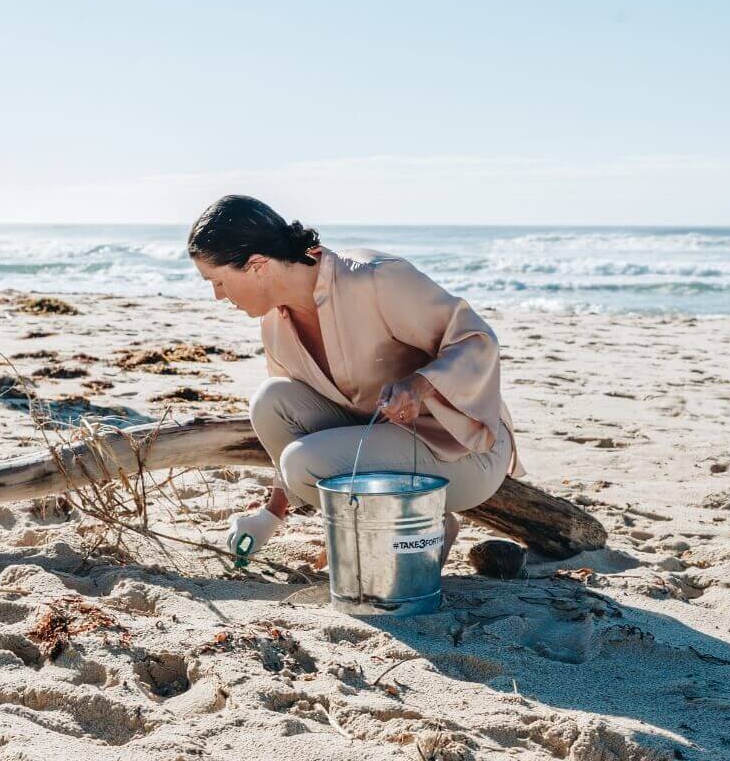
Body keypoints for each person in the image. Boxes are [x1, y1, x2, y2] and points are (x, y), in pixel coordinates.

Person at [187, 195, 517, 568]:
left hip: (462, 450)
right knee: (271, 400)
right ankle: (398, 527)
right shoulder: (274, 323)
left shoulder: (374, 277)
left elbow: (477, 341)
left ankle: (419, 528)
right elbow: (288, 433)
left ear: (258, 266)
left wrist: (419, 384)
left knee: (303, 463)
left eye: (217, 281)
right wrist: (270, 515)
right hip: (378, 440)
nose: (217, 295)